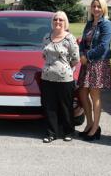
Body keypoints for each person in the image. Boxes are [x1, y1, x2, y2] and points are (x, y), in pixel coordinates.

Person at [41, 11, 80, 143]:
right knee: (49, 107)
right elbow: (44, 55)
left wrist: (63, 67)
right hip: (47, 78)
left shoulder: (70, 38)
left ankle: (68, 131)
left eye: (61, 20)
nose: (58, 22)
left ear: (65, 22)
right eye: (55, 19)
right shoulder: (46, 37)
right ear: (52, 22)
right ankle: (51, 133)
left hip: (65, 79)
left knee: (66, 106)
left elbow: (75, 59)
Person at [78, 0, 111, 141]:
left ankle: (95, 128)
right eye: (94, 6)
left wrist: (88, 55)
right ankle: (90, 124)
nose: (96, 9)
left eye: (99, 6)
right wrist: (81, 54)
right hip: (86, 62)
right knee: (82, 93)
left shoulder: (106, 24)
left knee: (95, 95)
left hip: (98, 63)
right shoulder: (90, 23)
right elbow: (82, 41)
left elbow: (104, 45)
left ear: (103, 8)